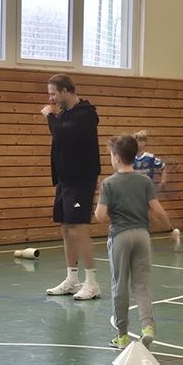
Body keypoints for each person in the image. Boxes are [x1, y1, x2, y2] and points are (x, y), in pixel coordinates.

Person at [95, 135, 171, 349]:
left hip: (120, 235)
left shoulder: (109, 183)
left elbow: (100, 216)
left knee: (120, 285)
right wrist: (170, 228)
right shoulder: (145, 181)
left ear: (117, 158)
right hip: (143, 235)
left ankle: (122, 336)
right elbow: (157, 209)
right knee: (142, 285)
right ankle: (147, 327)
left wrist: (118, 217)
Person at [42, 73, 102, 300]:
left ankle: (92, 282)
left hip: (81, 181)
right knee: (66, 227)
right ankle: (72, 279)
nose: (51, 99)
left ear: (66, 90)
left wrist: (50, 116)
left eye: (53, 93)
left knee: (79, 227)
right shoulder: (66, 114)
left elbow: (61, 134)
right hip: (65, 182)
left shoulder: (85, 114)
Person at [132, 130, 181, 249]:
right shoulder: (131, 158)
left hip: (147, 189)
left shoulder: (150, 157)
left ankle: (171, 231)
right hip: (134, 190)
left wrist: (163, 181)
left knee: (154, 212)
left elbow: (163, 167)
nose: (139, 143)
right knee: (142, 213)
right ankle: (144, 235)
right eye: (137, 140)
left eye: (142, 141)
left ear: (145, 143)